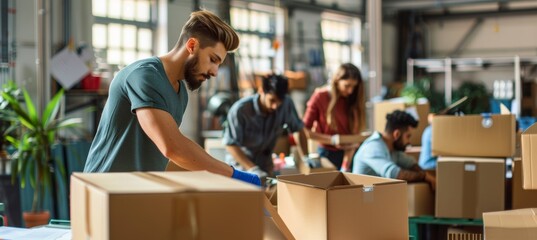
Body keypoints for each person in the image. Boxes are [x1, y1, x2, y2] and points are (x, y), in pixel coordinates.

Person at [83, 10, 260, 186]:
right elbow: (173, 147)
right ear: (192, 46)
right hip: (103, 189)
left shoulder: (180, 93)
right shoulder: (144, 76)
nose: (214, 72)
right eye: (213, 60)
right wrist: (232, 174)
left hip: (136, 192)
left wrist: (216, 178)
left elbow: (166, 156)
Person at [223, 74, 309, 178]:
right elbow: (231, 145)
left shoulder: (286, 104)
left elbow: (298, 130)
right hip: (241, 167)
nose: (275, 106)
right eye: (272, 100)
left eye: (279, 102)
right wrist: (252, 169)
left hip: (265, 166)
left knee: (271, 193)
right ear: (261, 91)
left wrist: (306, 158)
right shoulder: (240, 111)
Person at [302, 63, 365, 171]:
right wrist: (332, 140)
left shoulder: (352, 98)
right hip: (327, 154)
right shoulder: (320, 97)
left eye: (354, 87)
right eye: (347, 85)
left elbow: (355, 132)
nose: (350, 91)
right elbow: (304, 131)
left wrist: (345, 165)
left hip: (350, 153)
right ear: (337, 81)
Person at [352, 110, 435, 188]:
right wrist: (424, 176)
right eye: (408, 136)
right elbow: (395, 174)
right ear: (397, 134)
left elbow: (410, 163)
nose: (409, 142)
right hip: (364, 198)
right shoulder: (373, 147)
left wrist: (426, 175)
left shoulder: (392, 148)